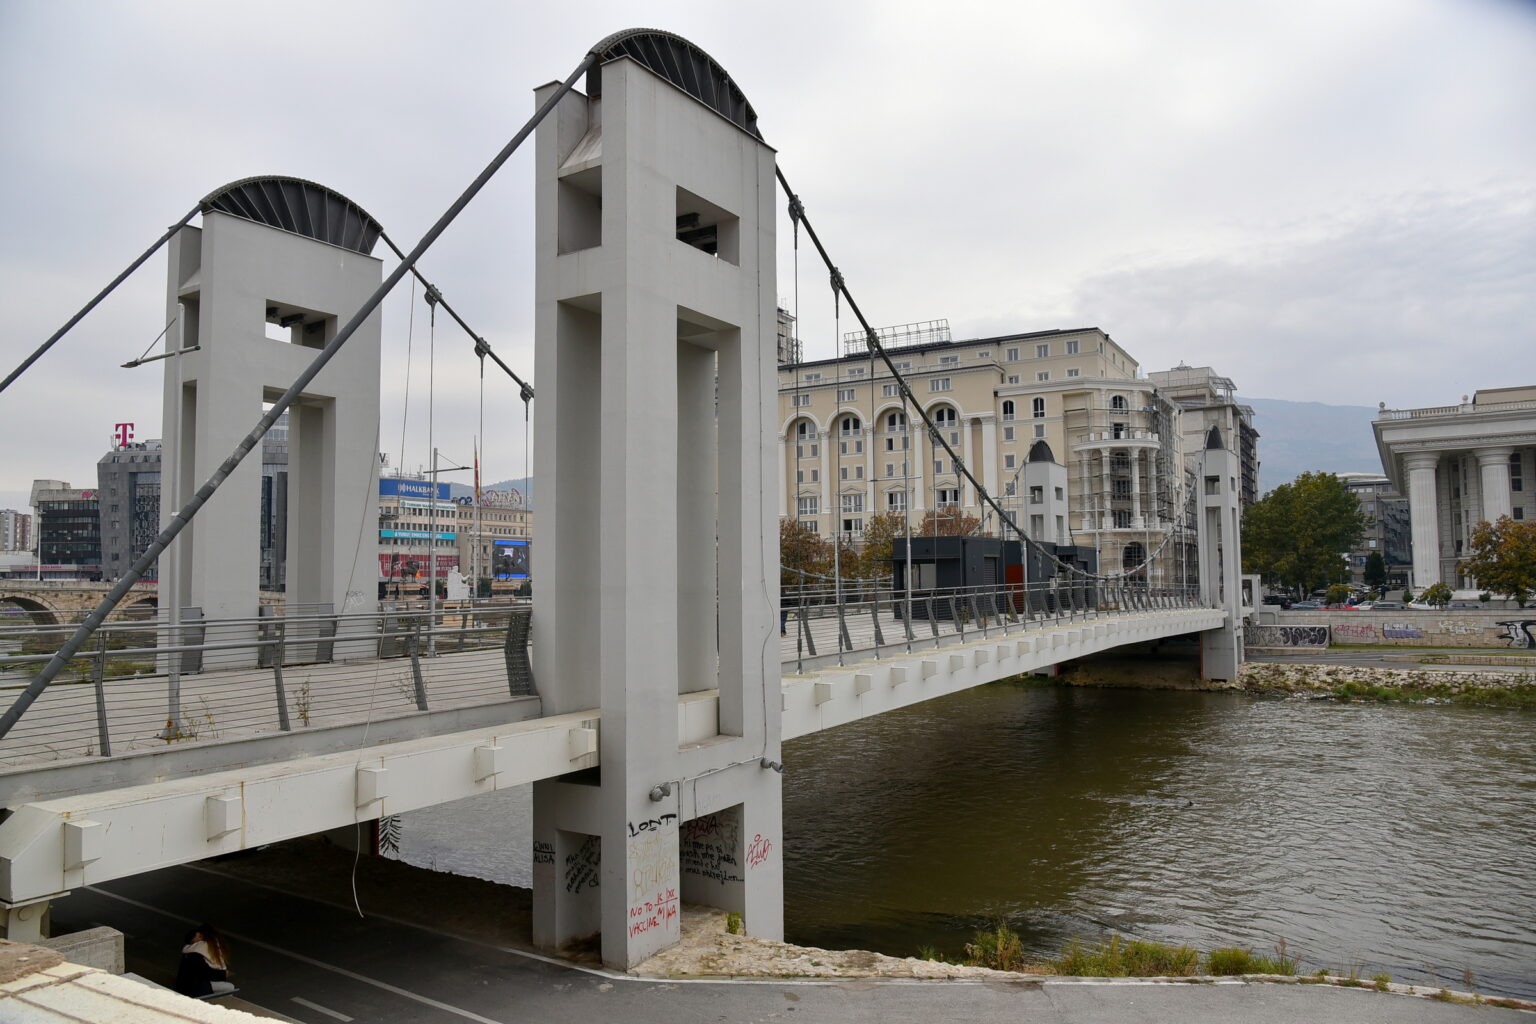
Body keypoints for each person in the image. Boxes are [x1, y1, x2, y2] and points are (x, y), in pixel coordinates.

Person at [175, 924, 235, 998]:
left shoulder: (191, 949)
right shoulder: (201, 948)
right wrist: (223, 974)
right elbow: (206, 972)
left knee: (224, 986)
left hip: (188, 985)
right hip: (193, 988)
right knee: (230, 987)